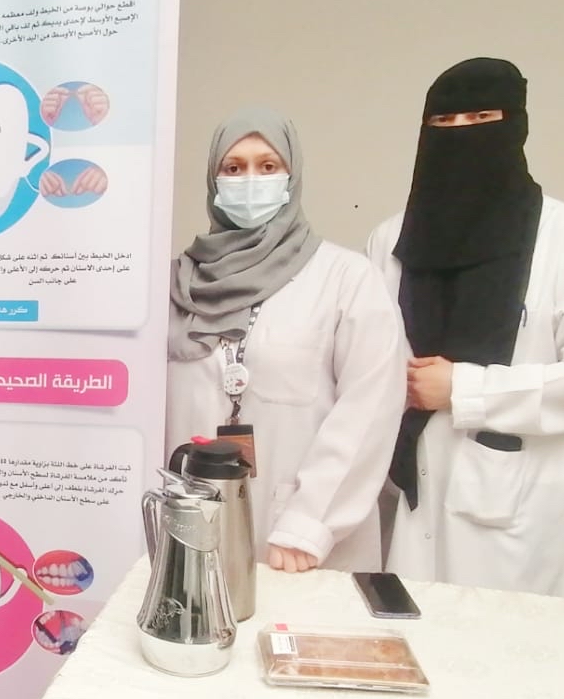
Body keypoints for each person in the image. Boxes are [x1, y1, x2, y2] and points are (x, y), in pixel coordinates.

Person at [367, 57, 564, 596]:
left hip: (520, 515)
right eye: (443, 123)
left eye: (480, 119)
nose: (461, 134)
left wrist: (465, 388)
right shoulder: (391, 240)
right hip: (406, 500)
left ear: (515, 126)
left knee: (506, 641)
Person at [167, 107, 405, 573]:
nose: (249, 180)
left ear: (292, 177)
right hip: (190, 529)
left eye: (267, 166)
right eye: (233, 168)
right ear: (213, 180)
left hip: (301, 544)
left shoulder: (346, 278)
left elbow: (371, 406)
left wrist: (310, 524)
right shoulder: (177, 284)